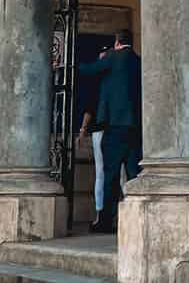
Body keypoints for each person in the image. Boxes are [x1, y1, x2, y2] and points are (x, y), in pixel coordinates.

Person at [79, 29, 142, 233]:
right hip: (135, 126)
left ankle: (106, 221)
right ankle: (137, 217)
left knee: (110, 175)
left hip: (114, 126)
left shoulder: (113, 58)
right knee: (134, 173)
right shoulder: (138, 60)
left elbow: (88, 70)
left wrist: (68, 64)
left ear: (117, 42)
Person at [77, 47, 108, 228]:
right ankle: (101, 213)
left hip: (103, 130)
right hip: (104, 130)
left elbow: (89, 109)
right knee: (104, 173)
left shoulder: (97, 81)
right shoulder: (103, 82)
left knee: (102, 173)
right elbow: (89, 109)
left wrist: (82, 130)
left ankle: (102, 214)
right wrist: (82, 130)